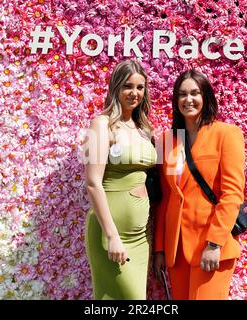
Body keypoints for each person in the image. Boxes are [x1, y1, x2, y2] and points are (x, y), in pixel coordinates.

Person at [153, 69, 245, 300]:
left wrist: (215, 243)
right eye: (182, 94)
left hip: (212, 246)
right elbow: (165, 198)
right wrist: (160, 249)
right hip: (177, 251)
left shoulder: (227, 134)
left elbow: (232, 194)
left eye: (195, 93)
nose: (188, 99)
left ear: (206, 96)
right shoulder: (165, 141)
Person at [84, 60, 156, 299]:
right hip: (112, 233)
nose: (134, 93)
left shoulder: (144, 129)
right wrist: (112, 235)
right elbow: (93, 182)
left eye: (140, 87)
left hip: (140, 237)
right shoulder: (101, 124)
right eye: (128, 86)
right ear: (115, 88)